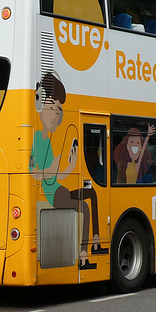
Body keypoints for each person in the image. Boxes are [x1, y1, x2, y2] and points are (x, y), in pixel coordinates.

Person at [30, 72, 107, 270]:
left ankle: (97, 241)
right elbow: (32, 172)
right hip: (52, 196)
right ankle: (84, 255)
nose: (55, 115)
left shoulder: (49, 141)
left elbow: (57, 175)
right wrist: (50, 170)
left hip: (59, 190)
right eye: (52, 108)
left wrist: (69, 166)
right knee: (85, 208)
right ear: (40, 105)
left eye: (59, 111)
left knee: (92, 193)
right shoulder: (37, 138)